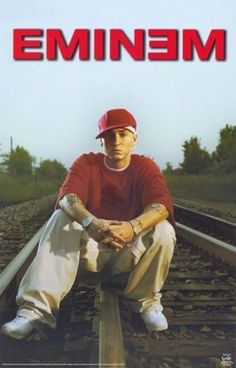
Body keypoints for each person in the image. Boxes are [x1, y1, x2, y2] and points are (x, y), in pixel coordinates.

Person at [0, 108, 176, 340]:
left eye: (123, 134)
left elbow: (161, 205)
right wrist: (91, 222)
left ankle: (146, 302)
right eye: (109, 136)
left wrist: (131, 227)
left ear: (135, 138)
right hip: (88, 257)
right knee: (60, 217)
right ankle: (35, 311)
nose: (116, 141)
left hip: (129, 256)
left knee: (164, 229)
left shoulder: (145, 167)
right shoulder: (87, 163)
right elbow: (67, 198)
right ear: (101, 140)